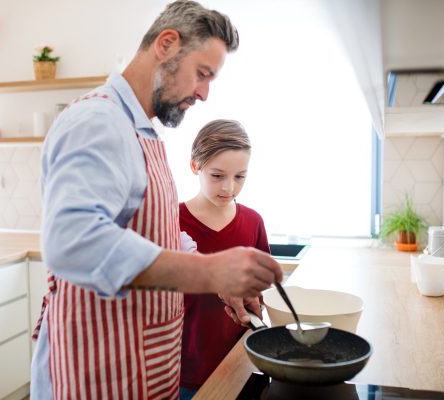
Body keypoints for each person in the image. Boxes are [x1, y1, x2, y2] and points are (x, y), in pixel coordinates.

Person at [30, 2, 282, 399]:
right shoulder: (99, 121)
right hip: (98, 373)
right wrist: (211, 272)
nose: (204, 93)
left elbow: (158, 234)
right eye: (202, 74)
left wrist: (223, 284)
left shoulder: (142, 130)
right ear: (166, 44)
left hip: (141, 364)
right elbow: (71, 241)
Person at [178, 120, 270, 399]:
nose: (229, 187)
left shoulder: (253, 222)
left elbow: (262, 292)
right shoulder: (171, 221)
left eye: (239, 177)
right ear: (195, 166)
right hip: (187, 368)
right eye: (218, 176)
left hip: (244, 364)